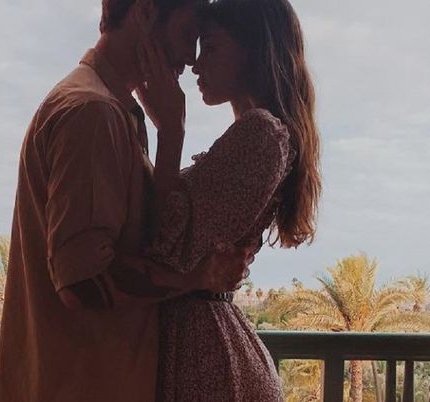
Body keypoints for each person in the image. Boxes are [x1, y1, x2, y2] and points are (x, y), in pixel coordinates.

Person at [0, 1, 257, 401]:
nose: (190, 57)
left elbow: (148, 240)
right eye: (187, 33)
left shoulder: (113, 110)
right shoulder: (92, 113)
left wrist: (172, 136)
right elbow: (84, 282)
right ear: (146, 12)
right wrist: (198, 278)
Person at [135, 0, 322, 400]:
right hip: (204, 351)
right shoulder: (258, 135)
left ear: (254, 51)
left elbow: (163, 245)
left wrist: (171, 133)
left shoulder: (262, 135)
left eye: (211, 47)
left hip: (205, 362)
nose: (196, 64)